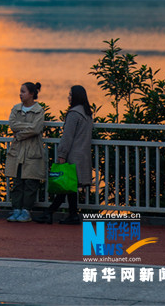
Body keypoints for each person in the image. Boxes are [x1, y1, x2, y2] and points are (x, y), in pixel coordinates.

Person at [49, 84, 93, 225]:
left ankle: (49, 213)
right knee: (70, 186)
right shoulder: (87, 113)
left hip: (72, 155)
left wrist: (62, 154)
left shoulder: (74, 113)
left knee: (66, 185)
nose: (68, 97)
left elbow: (67, 137)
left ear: (76, 97)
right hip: (83, 154)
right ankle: (70, 214)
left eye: (70, 95)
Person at [5, 81, 47, 223]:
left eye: (23, 91)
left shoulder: (39, 110)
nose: (20, 94)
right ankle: (16, 209)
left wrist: (20, 133)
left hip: (32, 150)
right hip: (18, 150)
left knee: (30, 182)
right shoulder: (16, 108)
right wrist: (28, 127)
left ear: (31, 94)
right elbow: (13, 124)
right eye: (20, 91)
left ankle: (26, 211)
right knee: (17, 181)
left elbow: (36, 129)